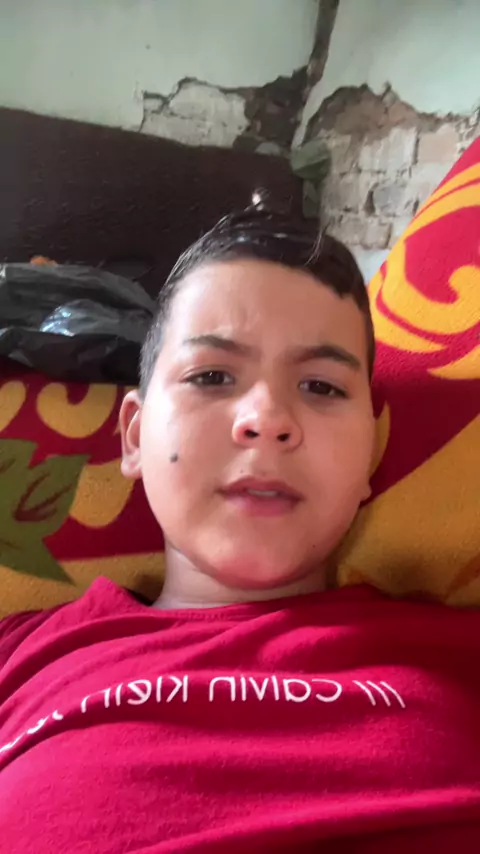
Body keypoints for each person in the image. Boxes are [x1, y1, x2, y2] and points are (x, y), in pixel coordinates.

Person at [0, 206, 479, 853]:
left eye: (321, 386)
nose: (267, 418)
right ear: (135, 436)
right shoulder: (21, 655)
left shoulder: (459, 654)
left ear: (369, 454)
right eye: (212, 376)